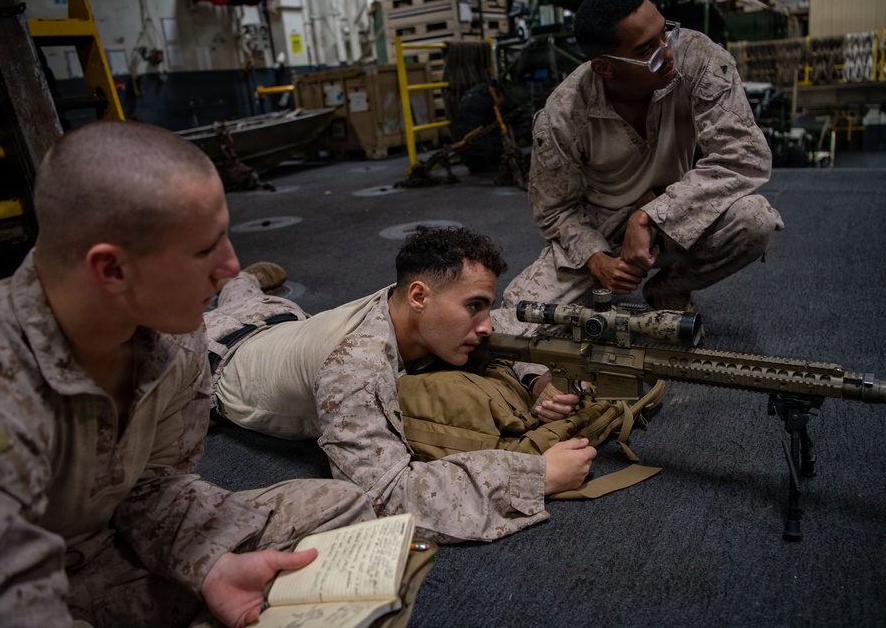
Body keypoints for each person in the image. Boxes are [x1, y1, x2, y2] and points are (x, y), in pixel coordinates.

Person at [0, 121, 376, 628]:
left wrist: (211, 566)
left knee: (341, 514)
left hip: (111, 555)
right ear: (111, 270)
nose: (230, 266)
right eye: (204, 250)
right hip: (5, 593)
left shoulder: (172, 336)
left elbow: (155, 484)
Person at [206, 225, 596, 543]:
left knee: (252, 299)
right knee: (233, 303)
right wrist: (535, 476)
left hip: (287, 317)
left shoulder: (415, 310)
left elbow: (514, 331)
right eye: (474, 306)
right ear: (418, 296)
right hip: (221, 350)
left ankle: (243, 282)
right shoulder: (355, 367)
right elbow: (383, 499)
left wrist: (538, 378)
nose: (486, 324)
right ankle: (235, 282)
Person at [490, 0, 783, 376]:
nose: (667, 50)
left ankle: (668, 290)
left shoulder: (698, 58)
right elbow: (554, 209)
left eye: (666, 31)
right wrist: (597, 260)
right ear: (604, 67)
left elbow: (744, 155)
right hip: (600, 228)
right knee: (514, 322)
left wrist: (649, 216)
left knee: (755, 220)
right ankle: (595, 297)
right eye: (647, 49)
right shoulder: (562, 114)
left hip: (678, 215)